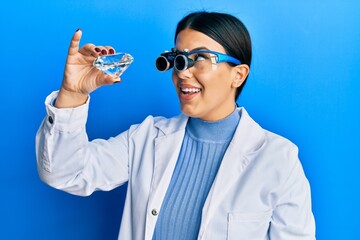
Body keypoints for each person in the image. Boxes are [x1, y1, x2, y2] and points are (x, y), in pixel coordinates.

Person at [36, 11, 316, 240]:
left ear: (238, 75)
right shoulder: (146, 138)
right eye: (177, 60)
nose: (182, 72)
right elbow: (64, 173)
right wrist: (73, 93)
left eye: (200, 59)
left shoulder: (278, 159)